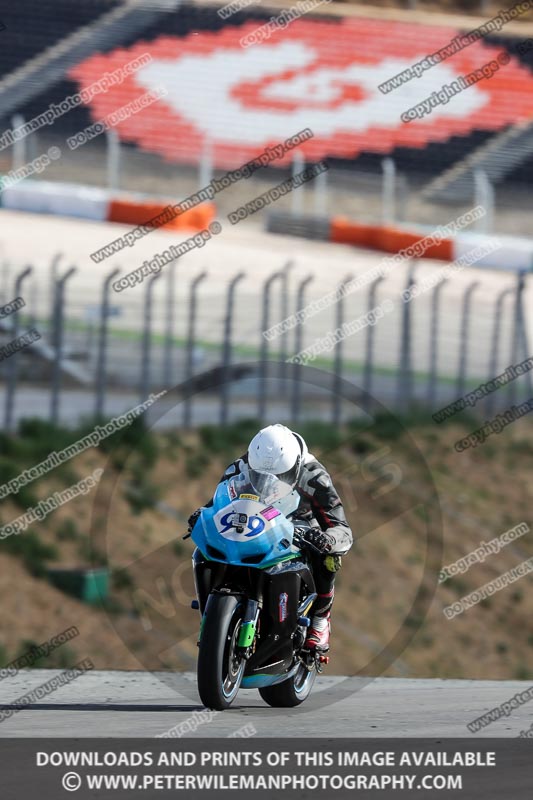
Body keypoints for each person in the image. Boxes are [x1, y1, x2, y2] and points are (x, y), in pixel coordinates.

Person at [188, 423, 353, 652]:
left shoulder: (315, 477)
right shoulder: (241, 466)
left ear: (295, 467)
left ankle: (320, 620)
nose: (269, 482)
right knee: (205, 550)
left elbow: (341, 527)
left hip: (300, 524)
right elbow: (220, 502)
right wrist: (203, 515)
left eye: (281, 476)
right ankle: (211, 616)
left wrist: (328, 540)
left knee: (327, 558)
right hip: (256, 522)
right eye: (259, 475)